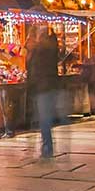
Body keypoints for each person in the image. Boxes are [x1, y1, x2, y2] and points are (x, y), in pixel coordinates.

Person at [26, 26, 60, 158]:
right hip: (40, 87)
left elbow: (37, 69)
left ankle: (47, 147)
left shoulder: (45, 49)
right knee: (42, 118)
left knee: (44, 118)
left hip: (45, 88)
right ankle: (45, 145)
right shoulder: (39, 50)